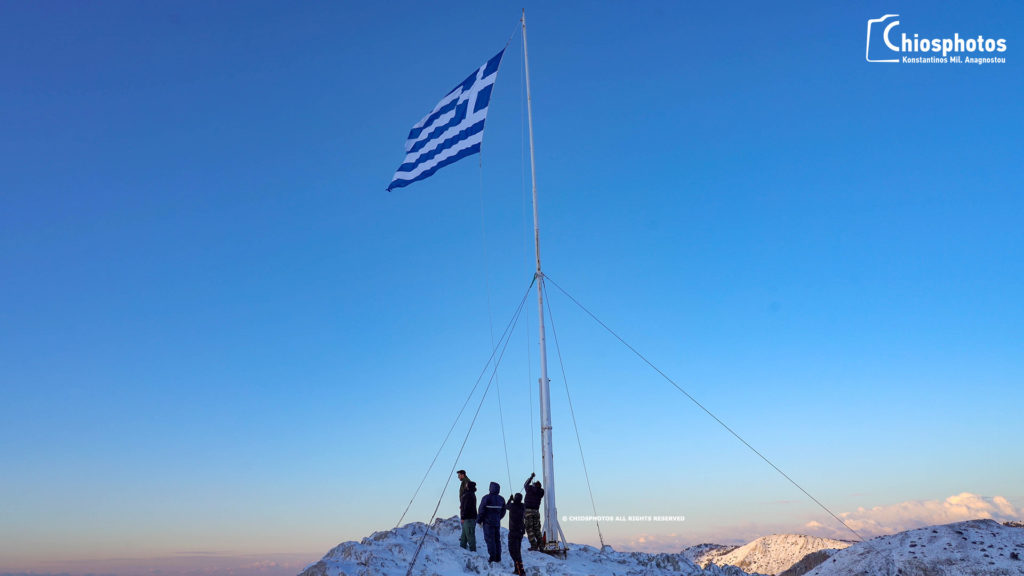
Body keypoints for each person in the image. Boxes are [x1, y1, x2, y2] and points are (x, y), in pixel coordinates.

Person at [477, 481, 507, 563]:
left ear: (490, 488)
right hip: (496, 523)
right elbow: (503, 511)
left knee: (490, 540)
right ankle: (498, 557)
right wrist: (498, 518)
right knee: (497, 540)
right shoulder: (501, 499)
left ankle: (492, 557)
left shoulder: (486, 498)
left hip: (488, 523)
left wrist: (479, 520)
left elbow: (481, 510)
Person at [523, 473, 544, 551]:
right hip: (536, 511)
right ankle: (541, 546)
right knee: (537, 529)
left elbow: (525, 484)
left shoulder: (530, 489)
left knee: (529, 529)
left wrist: (531, 477)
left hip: (528, 511)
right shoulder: (541, 492)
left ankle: (534, 546)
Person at [506, 493, 526, 575]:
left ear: (515, 498)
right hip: (520, 531)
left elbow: (506, 506)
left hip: (513, 531)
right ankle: (518, 569)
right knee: (517, 551)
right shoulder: (523, 506)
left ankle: (520, 571)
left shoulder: (512, 505)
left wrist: (510, 499)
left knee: (512, 551)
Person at [459, 481, 477, 552]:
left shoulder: (468, 495)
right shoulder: (469, 494)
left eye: (466, 485)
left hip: (468, 519)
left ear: (469, 486)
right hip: (468, 518)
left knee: (470, 536)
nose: (465, 486)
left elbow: (467, 507)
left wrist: (463, 517)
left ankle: (473, 552)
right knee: (464, 537)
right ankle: (462, 551)